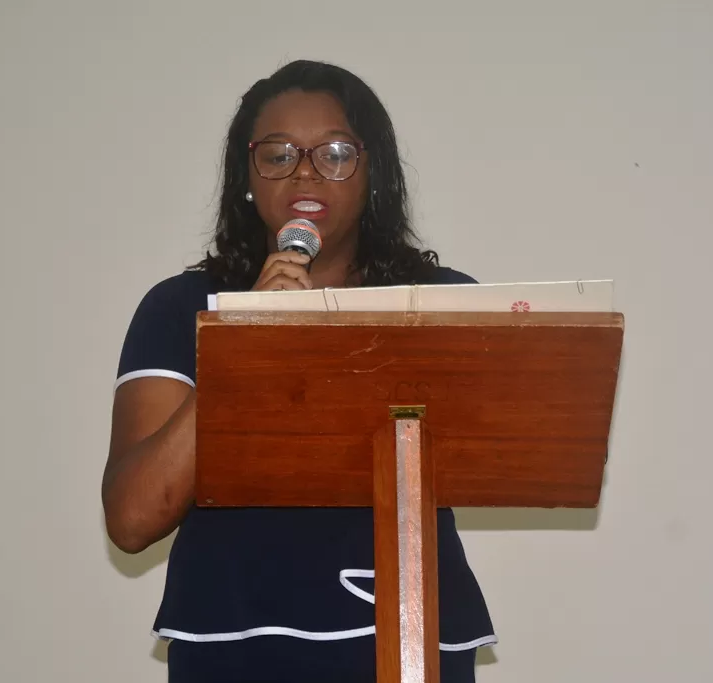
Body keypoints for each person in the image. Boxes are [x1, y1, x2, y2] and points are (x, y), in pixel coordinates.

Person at [103, 59, 497, 683]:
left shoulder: (439, 304)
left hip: (409, 631)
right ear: (246, 176)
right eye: (279, 153)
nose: (305, 172)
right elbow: (132, 518)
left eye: (334, 153)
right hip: (235, 640)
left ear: (373, 173)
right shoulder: (180, 308)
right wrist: (243, 341)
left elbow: (506, 453)